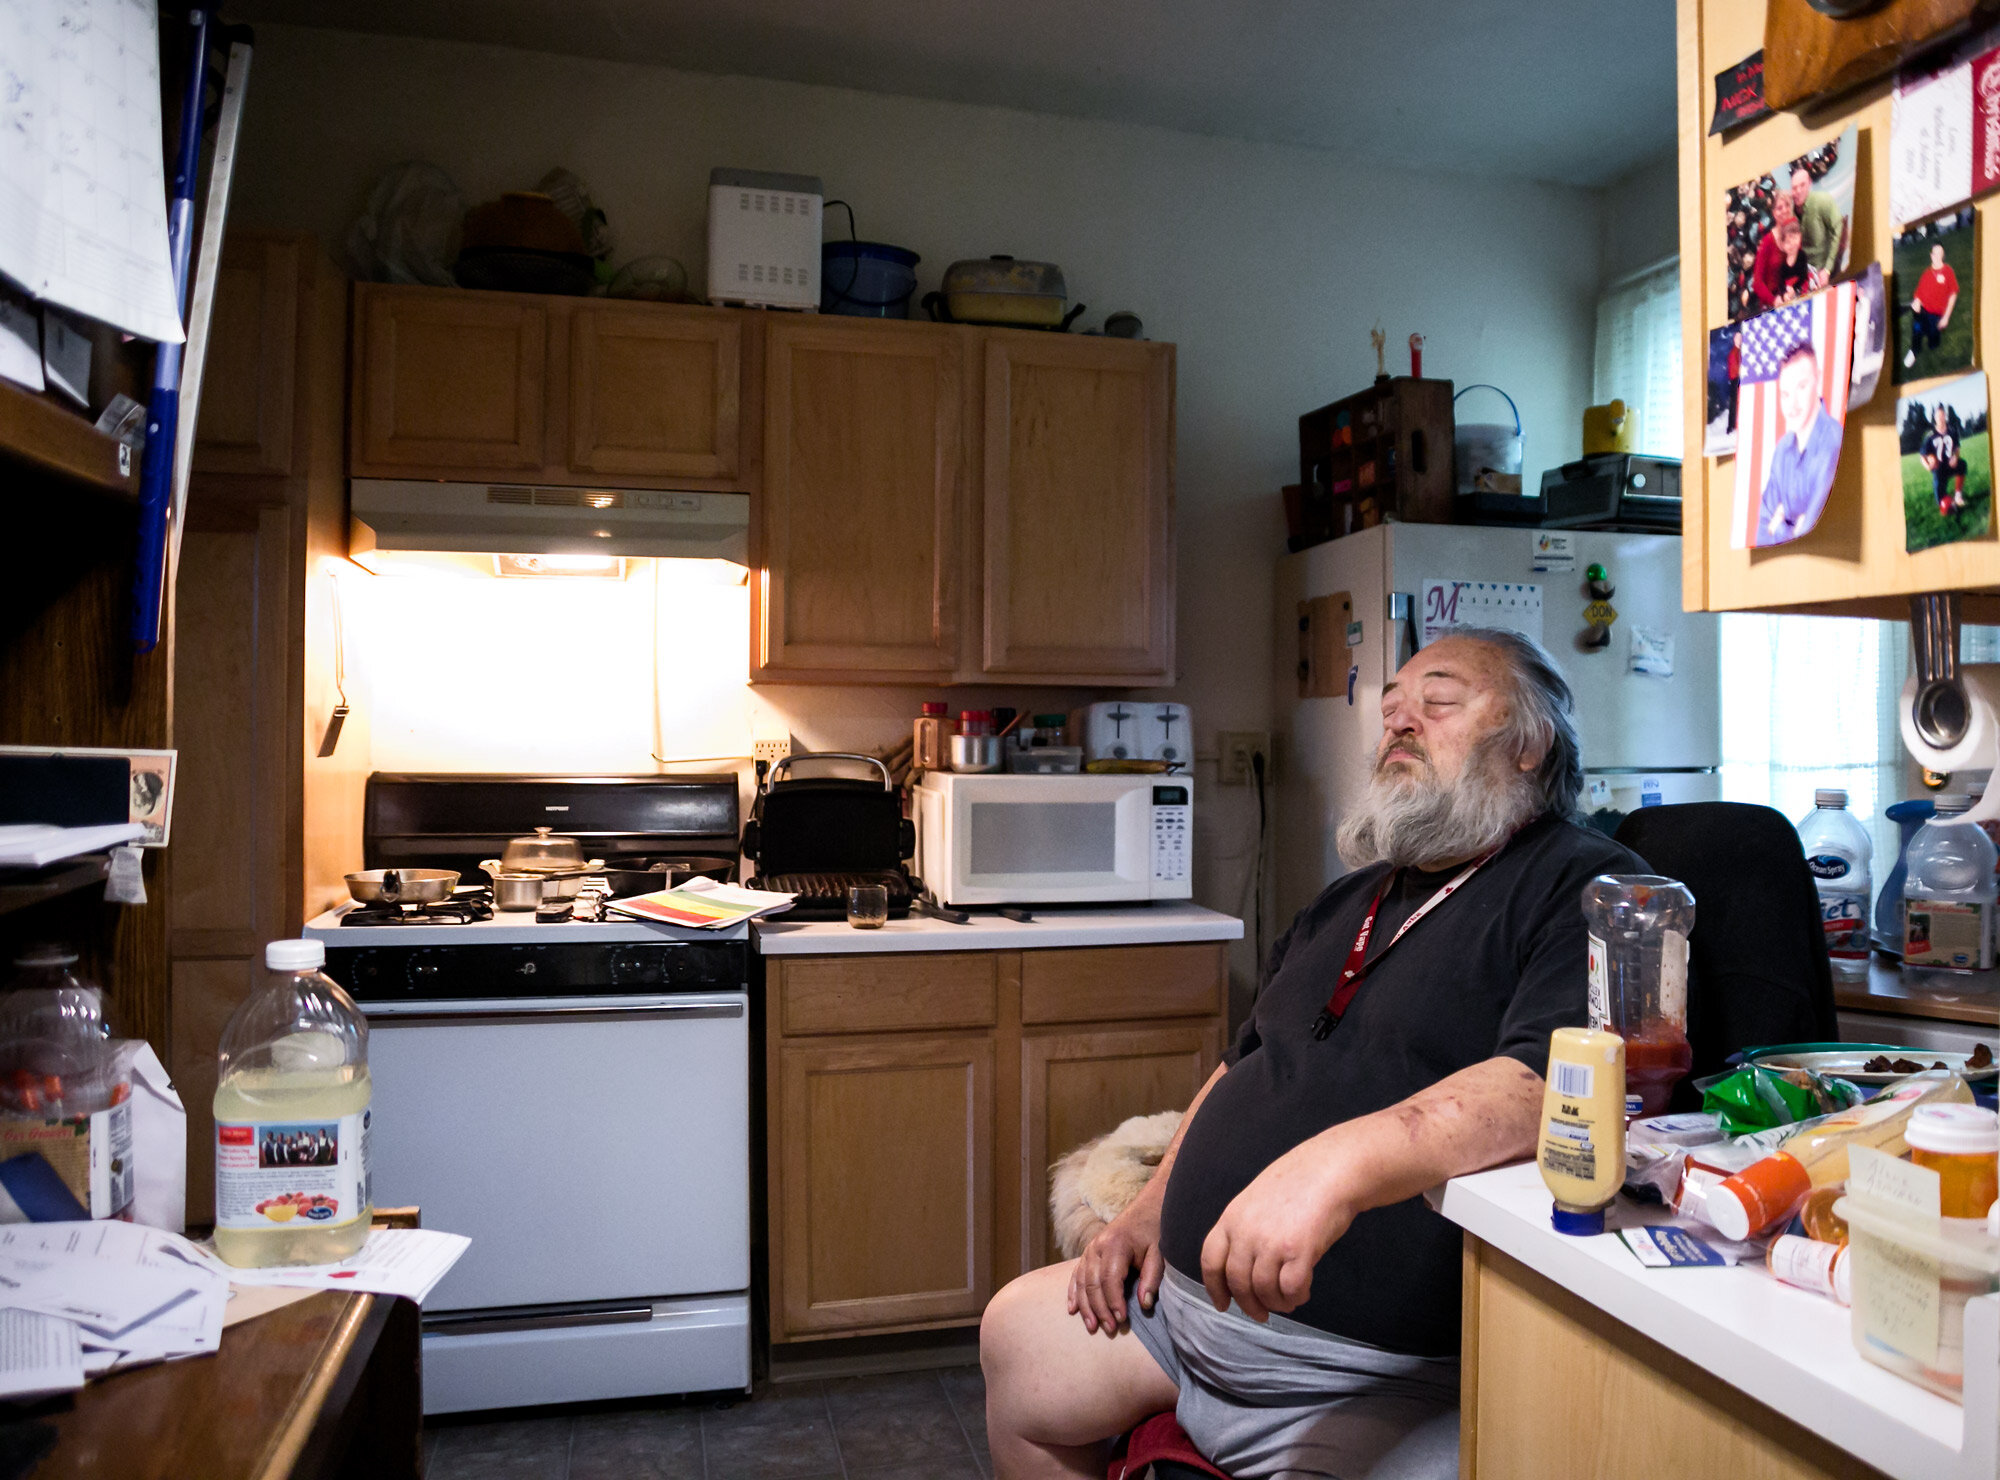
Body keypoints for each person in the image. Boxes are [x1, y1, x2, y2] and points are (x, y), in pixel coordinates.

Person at [981, 631, 1645, 1480]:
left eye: (1436, 702)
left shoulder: (1586, 885)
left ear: (1528, 744)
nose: (1399, 722)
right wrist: (1150, 1206)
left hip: (1365, 1379)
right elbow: (1243, 1060)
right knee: (1016, 1337)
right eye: (1392, 707)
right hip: (1178, 1321)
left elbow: (1544, 1085)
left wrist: (1331, 1166)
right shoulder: (1349, 900)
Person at [1759, 343, 1845, 545]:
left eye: (1801, 387)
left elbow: (1810, 535)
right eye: (1785, 394)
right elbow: (1761, 529)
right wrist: (1790, 527)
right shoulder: (1782, 449)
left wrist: (1779, 525)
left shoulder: (1832, 443)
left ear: (1819, 380)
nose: (1792, 403)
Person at [1906, 241, 1959, 368]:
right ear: (1931, 255)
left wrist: (1946, 317)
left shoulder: (1948, 271)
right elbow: (1918, 294)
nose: (1936, 256)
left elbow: (1953, 294)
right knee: (1916, 330)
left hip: (1936, 316)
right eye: (1934, 253)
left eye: (1939, 253)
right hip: (1922, 312)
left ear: (1943, 255)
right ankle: (1914, 350)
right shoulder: (1926, 274)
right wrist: (1917, 302)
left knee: (1933, 344)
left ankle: (1932, 341)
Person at [1791, 165, 1846, 277]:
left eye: (1802, 185)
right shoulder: (1789, 214)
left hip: (1827, 267)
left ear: (1810, 184)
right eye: (1794, 188)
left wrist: (1827, 269)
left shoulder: (1822, 201)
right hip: (1805, 274)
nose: (1798, 191)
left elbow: (1838, 229)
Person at [1752, 215, 1812, 309]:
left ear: (1799, 238)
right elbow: (1780, 283)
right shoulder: (1783, 265)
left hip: (1802, 293)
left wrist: (1796, 290)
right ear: (1783, 245)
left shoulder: (1801, 256)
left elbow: (1804, 277)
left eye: (1794, 239)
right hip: (1786, 298)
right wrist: (1784, 294)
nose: (1791, 245)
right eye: (1787, 242)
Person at [1920, 403, 1969, 518]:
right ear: (1935, 418)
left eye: (1943, 415)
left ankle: (1957, 495)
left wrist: (1955, 457)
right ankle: (1948, 501)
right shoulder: (1930, 435)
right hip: (1938, 468)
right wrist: (1927, 466)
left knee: (1962, 464)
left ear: (1945, 416)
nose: (1941, 418)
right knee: (1941, 502)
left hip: (1949, 464)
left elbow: (1957, 448)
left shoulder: (1952, 431)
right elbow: (1922, 456)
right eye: (1938, 416)